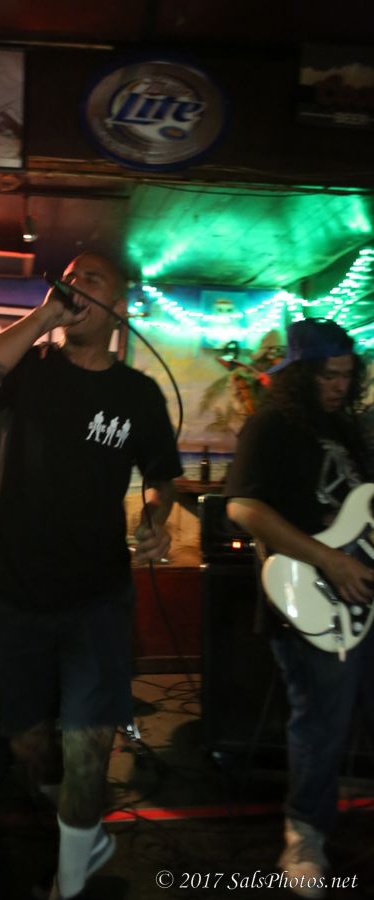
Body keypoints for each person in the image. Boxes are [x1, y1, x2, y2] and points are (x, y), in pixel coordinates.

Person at [0, 251, 181, 900]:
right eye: (69, 279)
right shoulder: (30, 369)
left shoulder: (137, 394)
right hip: (20, 593)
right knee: (29, 741)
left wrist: (156, 515)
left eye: (90, 280)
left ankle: (69, 881)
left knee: (87, 741)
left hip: (97, 596)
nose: (74, 286)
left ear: (119, 308)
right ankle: (80, 826)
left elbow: (162, 475)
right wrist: (43, 317)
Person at [225, 318, 374, 898]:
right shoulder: (273, 425)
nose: (339, 385)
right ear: (300, 375)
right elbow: (243, 508)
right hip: (312, 593)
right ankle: (304, 833)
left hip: (361, 594)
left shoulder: (348, 431)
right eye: (327, 375)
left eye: (346, 375)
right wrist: (329, 561)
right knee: (321, 720)